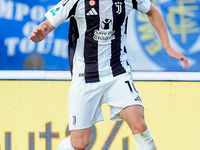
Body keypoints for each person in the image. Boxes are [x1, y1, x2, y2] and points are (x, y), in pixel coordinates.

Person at [29, 0, 189, 149]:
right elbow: (48, 23)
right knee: (80, 144)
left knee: (139, 124)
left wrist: (168, 47)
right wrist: (41, 33)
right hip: (85, 77)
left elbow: (152, 11)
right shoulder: (76, 1)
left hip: (117, 73)